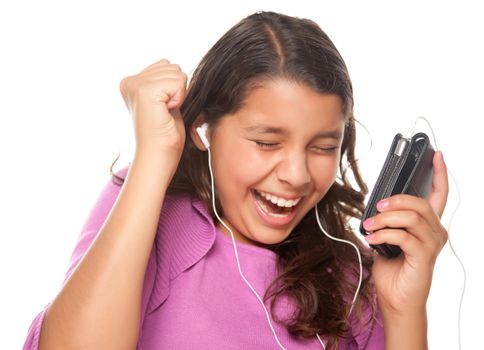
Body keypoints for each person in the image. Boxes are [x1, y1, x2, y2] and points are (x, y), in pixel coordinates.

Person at [23, 11, 448, 350]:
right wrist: (154, 156)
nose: (296, 175)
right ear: (205, 128)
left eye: (321, 147)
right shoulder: (154, 214)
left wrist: (403, 308)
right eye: (266, 142)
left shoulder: (349, 278)